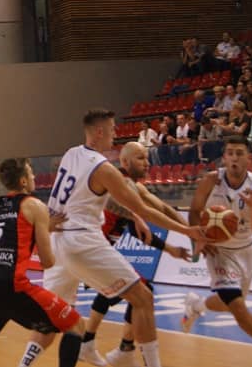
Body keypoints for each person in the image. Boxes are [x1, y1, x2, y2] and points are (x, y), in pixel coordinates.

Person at [22, 109, 208, 367]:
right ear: (100, 132)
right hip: (82, 241)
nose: (115, 133)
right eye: (112, 129)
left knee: (52, 317)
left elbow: (100, 198)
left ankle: (26, 364)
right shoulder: (104, 169)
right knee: (143, 298)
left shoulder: (71, 154)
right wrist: (187, 231)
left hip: (57, 242)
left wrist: (133, 216)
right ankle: (135, 357)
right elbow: (146, 209)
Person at [0, 158, 84, 367]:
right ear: (23, 181)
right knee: (75, 325)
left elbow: (13, 231)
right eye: (30, 173)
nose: (34, 176)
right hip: (11, 285)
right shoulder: (35, 205)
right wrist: (44, 228)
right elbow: (47, 262)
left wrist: (42, 226)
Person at [181, 136, 252, 367]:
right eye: (230, 153)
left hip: (246, 250)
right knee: (238, 307)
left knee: (228, 304)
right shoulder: (211, 181)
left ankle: (196, 305)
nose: (234, 157)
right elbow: (194, 211)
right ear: (224, 158)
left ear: (249, 159)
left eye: (239, 153)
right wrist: (199, 237)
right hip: (219, 251)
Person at [78, 142, 191, 367]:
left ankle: (109, 347)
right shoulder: (119, 184)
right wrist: (176, 243)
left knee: (124, 292)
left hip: (94, 249)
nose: (147, 163)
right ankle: (112, 348)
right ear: (125, 162)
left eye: (147, 157)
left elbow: (163, 208)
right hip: (89, 247)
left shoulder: (134, 187)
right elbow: (138, 229)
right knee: (139, 292)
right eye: (141, 158)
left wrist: (191, 231)